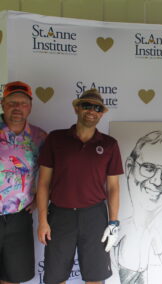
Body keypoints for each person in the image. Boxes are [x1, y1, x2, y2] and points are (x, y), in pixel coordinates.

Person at [36, 89, 123, 284]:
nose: (92, 110)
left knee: (95, 277)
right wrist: (42, 220)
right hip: (60, 216)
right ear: (77, 108)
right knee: (56, 277)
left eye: (97, 108)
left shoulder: (109, 145)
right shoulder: (55, 139)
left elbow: (113, 187)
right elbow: (43, 183)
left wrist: (114, 223)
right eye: (86, 105)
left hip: (95, 217)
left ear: (102, 113)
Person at [116, 130, 162, 284]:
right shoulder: (122, 227)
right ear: (129, 167)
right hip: (124, 275)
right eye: (148, 167)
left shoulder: (153, 231)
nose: (156, 181)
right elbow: (109, 258)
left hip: (142, 275)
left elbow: (161, 254)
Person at [0, 81, 46, 284]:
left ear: (30, 107)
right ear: (3, 104)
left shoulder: (40, 138)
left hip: (19, 218)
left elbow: (50, 175)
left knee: (13, 277)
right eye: (11, 103)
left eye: (22, 103)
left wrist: (39, 199)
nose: (17, 108)